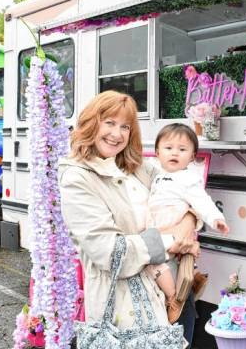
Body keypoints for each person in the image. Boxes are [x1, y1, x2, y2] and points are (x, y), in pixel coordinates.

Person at [59, 90, 200, 344]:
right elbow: (111, 252)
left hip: (176, 291)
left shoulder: (136, 167)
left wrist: (188, 221)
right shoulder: (77, 178)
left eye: (125, 126)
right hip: (127, 310)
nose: (117, 134)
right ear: (91, 123)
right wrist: (171, 240)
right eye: (109, 123)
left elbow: (185, 189)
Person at [146, 123, 229, 323]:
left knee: (155, 263)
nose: (175, 153)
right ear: (157, 152)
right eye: (168, 148)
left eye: (182, 150)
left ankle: (174, 297)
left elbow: (202, 201)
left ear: (192, 156)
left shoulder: (188, 179)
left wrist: (216, 219)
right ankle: (191, 278)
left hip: (171, 225)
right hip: (159, 225)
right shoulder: (158, 176)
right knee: (160, 261)